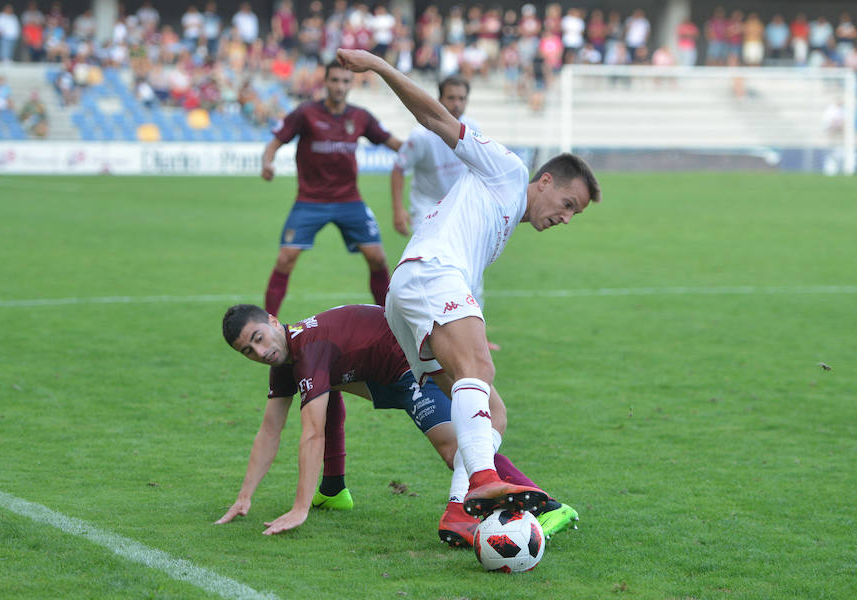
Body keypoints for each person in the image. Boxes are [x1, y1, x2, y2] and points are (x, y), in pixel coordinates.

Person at [336, 48, 601, 517]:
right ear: (543, 181)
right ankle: (483, 479)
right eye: (567, 203)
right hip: (429, 272)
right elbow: (437, 117)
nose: (565, 217)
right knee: (480, 365)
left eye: (574, 214)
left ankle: (459, 511)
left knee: (492, 411)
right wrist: (378, 66)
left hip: (415, 289)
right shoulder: (508, 169)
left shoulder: (496, 225)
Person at [217, 303, 579, 545]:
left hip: (409, 361)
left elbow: (312, 433)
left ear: (274, 323)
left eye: (259, 338)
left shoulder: (309, 351)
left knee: (456, 449)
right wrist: (244, 495)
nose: (260, 352)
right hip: (379, 369)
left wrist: (299, 509)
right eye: (248, 351)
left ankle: (549, 507)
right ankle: (334, 490)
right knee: (324, 394)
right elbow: (269, 431)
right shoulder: (287, 361)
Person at [259, 60, 401, 317]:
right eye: (334, 80)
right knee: (285, 258)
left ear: (351, 84)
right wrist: (267, 163)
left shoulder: (360, 117)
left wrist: (426, 151)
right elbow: (275, 143)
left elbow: (394, 143)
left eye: (345, 81)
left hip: (349, 200)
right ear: (325, 83)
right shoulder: (305, 113)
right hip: (310, 201)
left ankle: (390, 322)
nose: (339, 86)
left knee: (378, 258)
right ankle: (268, 322)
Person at [390, 75, 501, 352]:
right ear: (439, 99)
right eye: (451, 97)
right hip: (427, 210)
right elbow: (398, 168)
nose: (456, 104)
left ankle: (477, 337)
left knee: (472, 273)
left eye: (461, 98)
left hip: (461, 212)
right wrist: (398, 209)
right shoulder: (421, 137)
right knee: (429, 273)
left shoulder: (471, 128)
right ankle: (425, 335)